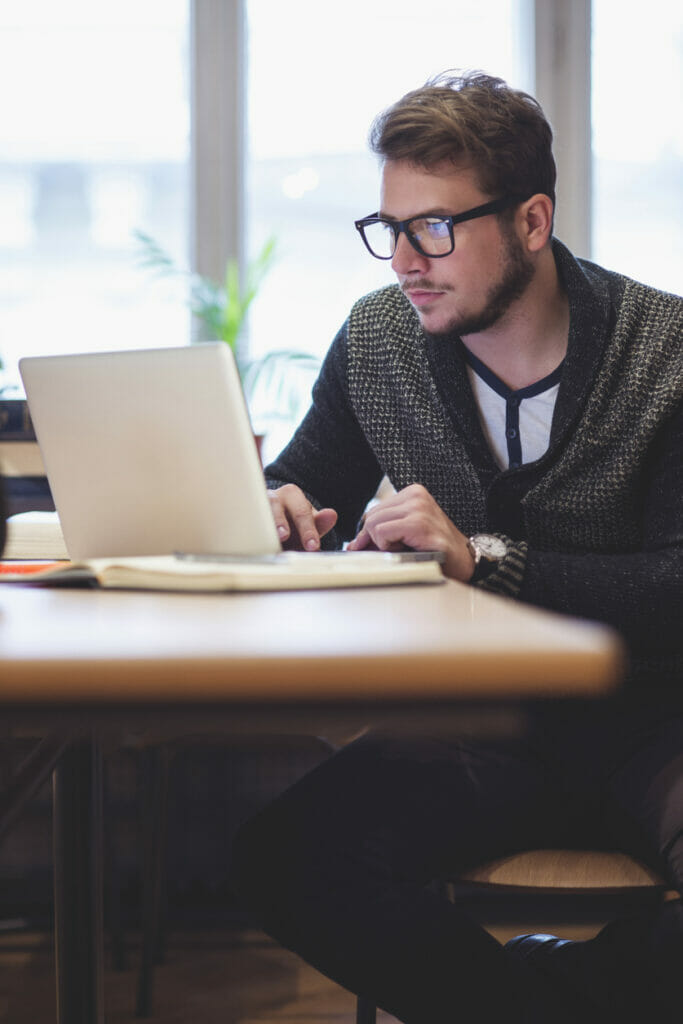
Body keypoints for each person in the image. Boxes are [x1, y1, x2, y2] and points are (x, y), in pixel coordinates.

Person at [229, 71, 683, 1023]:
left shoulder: (665, 351)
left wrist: (486, 559)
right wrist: (280, 505)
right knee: (283, 861)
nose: (401, 260)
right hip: (489, 726)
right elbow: (308, 476)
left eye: (432, 227)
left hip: (656, 719)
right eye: (387, 228)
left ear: (530, 221)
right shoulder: (380, 341)